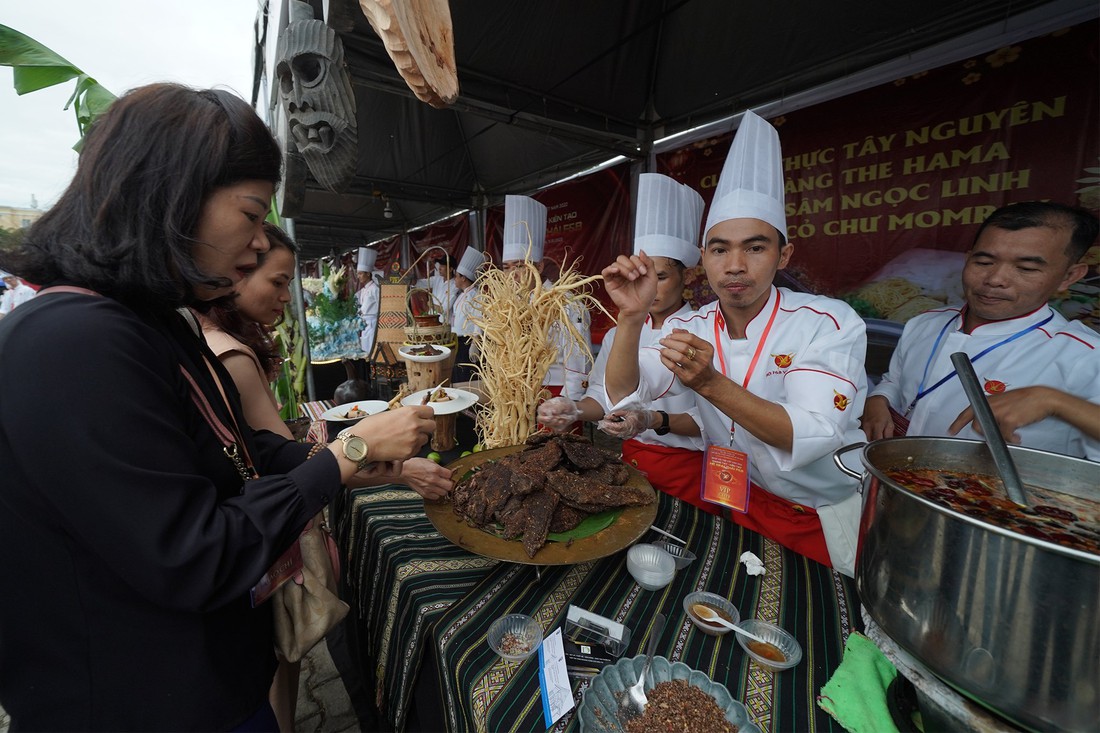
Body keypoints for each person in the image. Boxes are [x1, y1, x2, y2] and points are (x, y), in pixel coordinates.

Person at [0, 83, 436, 731]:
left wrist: (326, 461)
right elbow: (194, 551)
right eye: (252, 214)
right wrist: (344, 453)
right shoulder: (70, 342)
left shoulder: (155, 321)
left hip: (216, 690)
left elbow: (229, 448)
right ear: (172, 197)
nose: (261, 244)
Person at [196, 223, 451, 731]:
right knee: (282, 658)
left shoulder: (210, 343)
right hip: (262, 549)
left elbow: (288, 457)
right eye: (274, 281)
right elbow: (298, 469)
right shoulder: (232, 355)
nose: (285, 300)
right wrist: (383, 461)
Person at [601, 111, 868, 574]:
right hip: (735, 497)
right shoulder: (698, 324)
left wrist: (709, 384)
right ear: (703, 258)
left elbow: (807, 432)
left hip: (817, 512)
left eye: (756, 247)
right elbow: (624, 396)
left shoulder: (827, 322)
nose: (736, 265)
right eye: (720, 249)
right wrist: (630, 317)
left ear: (784, 254)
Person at [861, 201, 1100, 460]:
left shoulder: (1083, 355)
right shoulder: (926, 322)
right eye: (984, 261)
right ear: (968, 258)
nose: (995, 279)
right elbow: (895, 380)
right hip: (894, 474)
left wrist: (1056, 402)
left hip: (990, 498)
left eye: (1026, 268)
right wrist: (879, 399)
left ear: (1069, 276)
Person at [540, 174, 716, 512]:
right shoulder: (619, 334)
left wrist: (651, 419)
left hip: (688, 469)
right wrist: (574, 409)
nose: (649, 289)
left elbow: (715, 421)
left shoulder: (706, 332)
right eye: (641, 279)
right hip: (630, 463)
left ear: (689, 275)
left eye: (660, 278)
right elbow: (603, 399)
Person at [501, 194, 591, 403]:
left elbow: (578, 358)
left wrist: (569, 403)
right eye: (506, 268)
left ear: (539, 267)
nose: (512, 274)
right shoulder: (512, 305)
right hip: (519, 391)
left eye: (520, 265)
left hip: (556, 391)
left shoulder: (566, 303)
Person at [451, 246, 487, 383]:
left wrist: (475, 343)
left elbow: (479, 319)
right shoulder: (460, 295)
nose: (454, 279)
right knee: (458, 376)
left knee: (468, 377)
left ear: (464, 278)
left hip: (468, 342)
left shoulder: (477, 295)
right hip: (458, 342)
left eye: (456, 276)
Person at [356, 246, 382, 357]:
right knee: (364, 351)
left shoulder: (375, 289)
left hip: (373, 324)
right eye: (358, 274)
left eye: (361, 274)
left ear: (368, 274)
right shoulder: (363, 290)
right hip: (364, 324)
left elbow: (382, 307)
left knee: (371, 351)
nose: (358, 277)